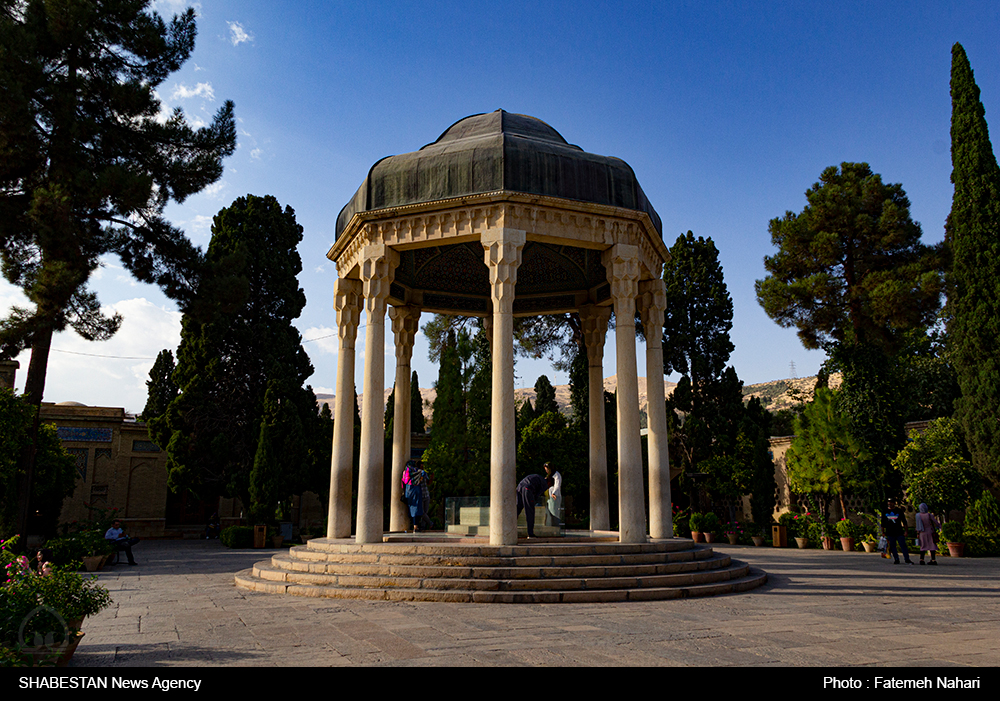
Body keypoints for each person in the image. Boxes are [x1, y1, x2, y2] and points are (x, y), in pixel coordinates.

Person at [881, 499, 914, 565]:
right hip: (890, 532)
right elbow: (883, 523)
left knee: (903, 545)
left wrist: (906, 531)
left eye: (891, 502)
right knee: (893, 546)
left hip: (899, 531)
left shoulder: (898, 511)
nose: (890, 503)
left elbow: (904, 521)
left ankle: (907, 559)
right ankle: (896, 558)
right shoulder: (885, 511)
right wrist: (883, 532)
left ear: (894, 503)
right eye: (889, 502)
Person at [516, 473, 547, 538]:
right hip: (528, 489)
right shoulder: (545, 484)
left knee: (517, 509)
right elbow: (537, 494)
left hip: (519, 487)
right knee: (530, 511)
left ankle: (508, 530)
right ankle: (530, 533)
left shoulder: (537, 477)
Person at [402, 460, 425, 533]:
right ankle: (416, 527)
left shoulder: (405, 472)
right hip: (415, 490)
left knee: (411, 508)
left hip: (408, 491)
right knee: (416, 509)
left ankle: (414, 525)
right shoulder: (416, 470)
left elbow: (403, 482)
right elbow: (423, 473)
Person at [543, 462, 562, 528]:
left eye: (547, 469)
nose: (546, 471)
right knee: (548, 513)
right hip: (548, 497)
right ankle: (550, 527)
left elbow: (557, 485)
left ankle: (555, 528)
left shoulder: (556, 475)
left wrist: (554, 493)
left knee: (554, 513)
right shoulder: (548, 476)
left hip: (554, 497)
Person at [417, 461, 434, 531]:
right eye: (421, 466)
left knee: (425, 512)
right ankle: (430, 523)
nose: (422, 467)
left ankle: (423, 526)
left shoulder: (424, 473)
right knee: (421, 512)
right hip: (420, 495)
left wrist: (431, 478)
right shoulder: (416, 473)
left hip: (426, 494)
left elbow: (428, 483)